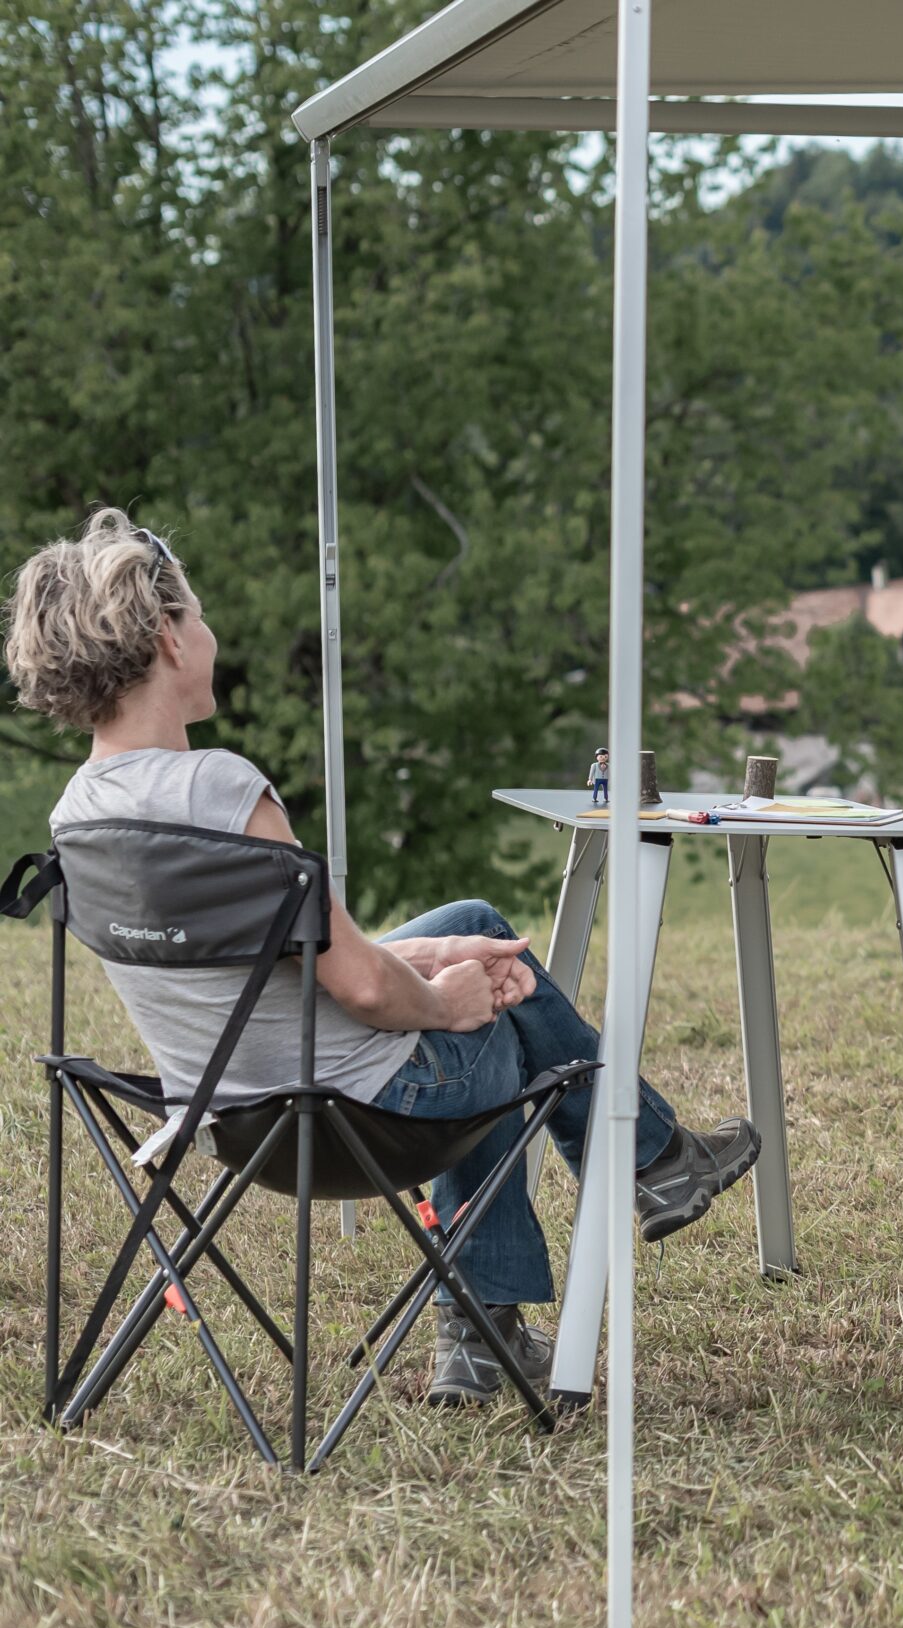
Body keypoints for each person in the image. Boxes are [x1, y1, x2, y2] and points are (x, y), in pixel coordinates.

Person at [5, 509, 761, 1405]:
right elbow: (362, 985)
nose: (210, 634)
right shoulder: (222, 787)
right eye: (199, 617)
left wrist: (439, 954)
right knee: (505, 1017)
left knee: (473, 920)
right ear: (170, 638)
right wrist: (449, 999)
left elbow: (287, 964)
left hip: (234, 1119)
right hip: (360, 1110)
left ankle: (632, 1188)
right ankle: (589, 1224)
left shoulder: (80, 815)